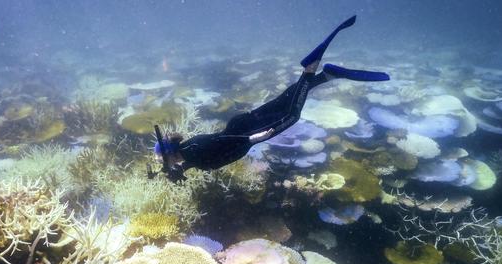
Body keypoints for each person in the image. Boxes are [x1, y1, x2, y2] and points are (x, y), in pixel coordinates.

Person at [152, 15, 389, 182]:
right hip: (243, 123)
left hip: (247, 133)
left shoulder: (194, 151)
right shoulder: (188, 151)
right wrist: (179, 170)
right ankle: (325, 75)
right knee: (286, 101)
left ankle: (309, 70)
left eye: (163, 160)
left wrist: (256, 138)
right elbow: (199, 157)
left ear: (170, 154)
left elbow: (222, 145)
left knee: (292, 114)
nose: (166, 164)